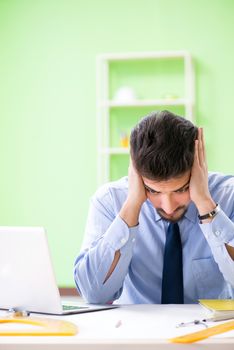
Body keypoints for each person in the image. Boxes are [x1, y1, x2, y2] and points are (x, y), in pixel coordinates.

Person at [74, 110, 234, 304]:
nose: (168, 207)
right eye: (154, 191)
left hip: (210, 331)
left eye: (181, 189)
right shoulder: (109, 201)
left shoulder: (228, 196)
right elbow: (93, 294)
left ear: (198, 167)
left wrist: (205, 204)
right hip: (135, 332)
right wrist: (132, 205)